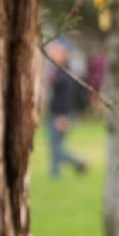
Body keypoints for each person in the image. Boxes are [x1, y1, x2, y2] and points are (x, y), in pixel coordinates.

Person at [46, 39, 88, 177]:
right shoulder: (58, 70)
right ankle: (55, 173)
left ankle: (79, 163)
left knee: (57, 147)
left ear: (65, 53)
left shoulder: (67, 73)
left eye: (56, 51)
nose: (53, 53)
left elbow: (68, 97)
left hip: (61, 114)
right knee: (54, 145)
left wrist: (63, 116)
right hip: (55, 112)